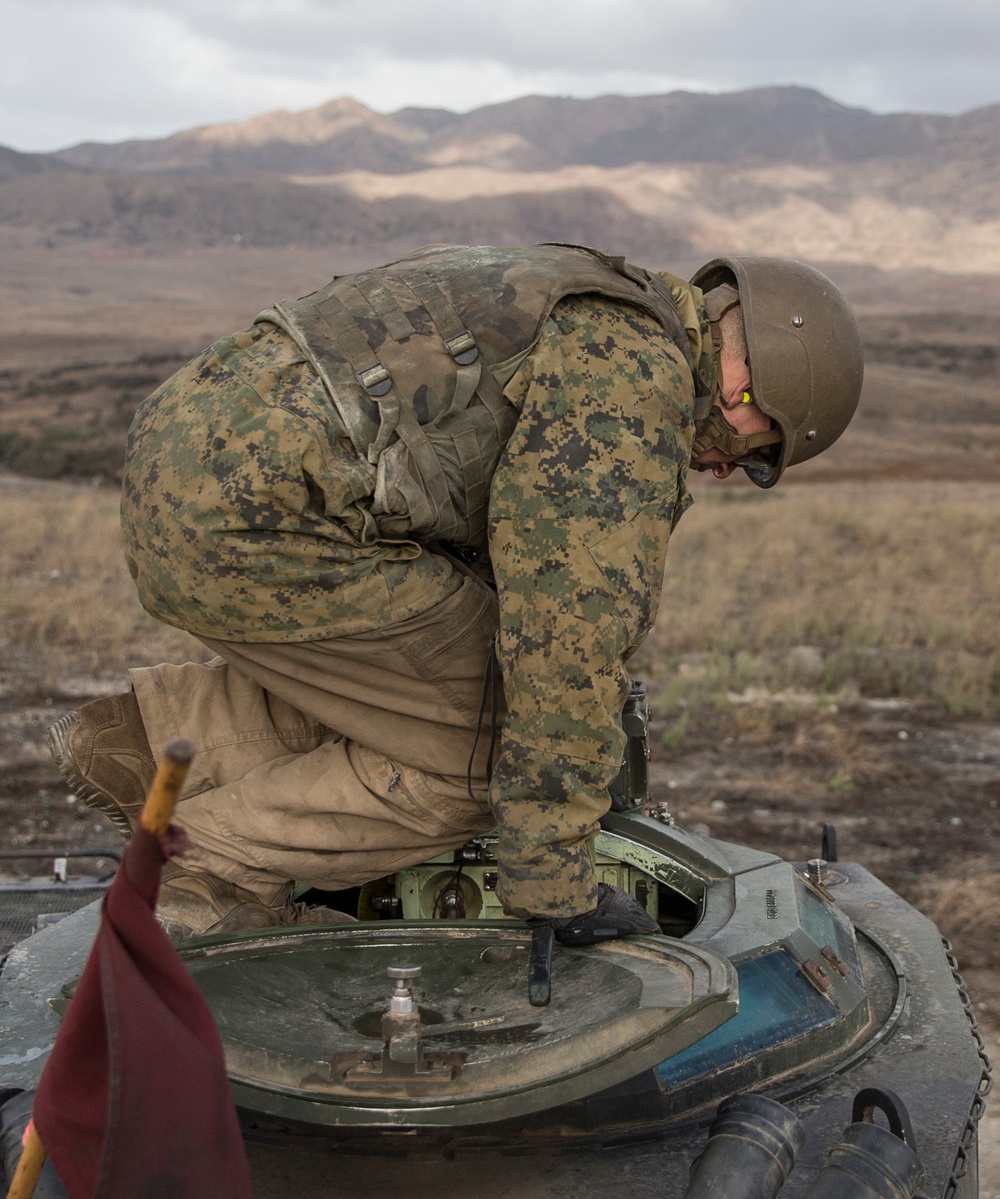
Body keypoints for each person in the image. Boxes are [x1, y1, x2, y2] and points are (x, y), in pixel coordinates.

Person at [49, 244, 863, 942]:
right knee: (486, 749)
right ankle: (212, 864)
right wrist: (552, 882)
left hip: (192, 468)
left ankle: (155, 739)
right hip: (262, 514)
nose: (727, 468)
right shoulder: (629, 380)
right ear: (757, 376)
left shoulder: (599, 298)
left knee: (430, 676)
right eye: (761, 449)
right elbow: (566, 634)